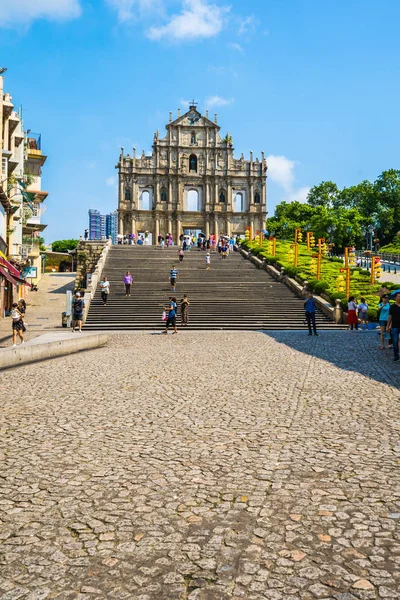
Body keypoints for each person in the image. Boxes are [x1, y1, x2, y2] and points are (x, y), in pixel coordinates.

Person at [387, 291, 400, 362]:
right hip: (395, 326)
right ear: (395, 298)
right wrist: (388, 326)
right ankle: (396, 355)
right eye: (399, 296)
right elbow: (390, 317)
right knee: (395, 341)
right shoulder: (392, 307)